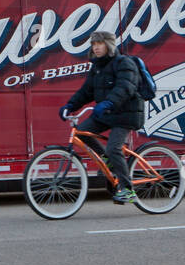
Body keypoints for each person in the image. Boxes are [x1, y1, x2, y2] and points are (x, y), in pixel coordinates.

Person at [59, 30, 147, 204]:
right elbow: (86, 91)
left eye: (99, 44)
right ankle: (107, 159)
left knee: (114, 147)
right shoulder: (97, 67)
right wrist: (70, 105)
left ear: (109, 45)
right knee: (82, 132)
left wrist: (109, 103)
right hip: (107, 113)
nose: (96, 47)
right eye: (93, 44)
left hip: (126, 114)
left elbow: (125, 87)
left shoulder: (124, 63)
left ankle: (128, 190)